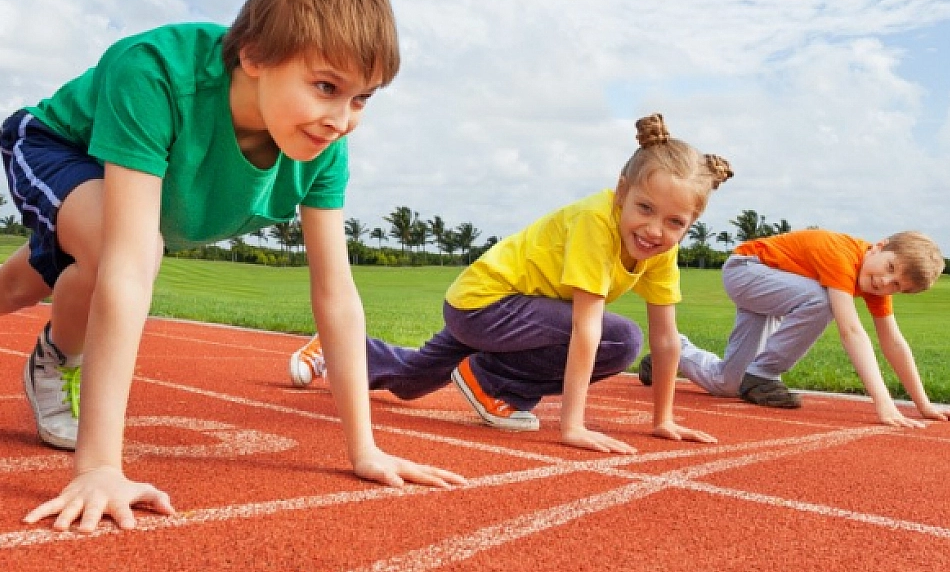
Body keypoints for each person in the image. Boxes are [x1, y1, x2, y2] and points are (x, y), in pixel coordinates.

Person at [0, 0, 465, 531]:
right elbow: (126, 263)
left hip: (129, 205)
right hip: (57, 144)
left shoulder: (323, 148)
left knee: (21, 284)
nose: (343, 118)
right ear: (253, 55)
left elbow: (336, 295)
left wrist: (365, 449)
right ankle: (57, 361)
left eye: (361, 99)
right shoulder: (152, 73)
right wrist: (99, 467)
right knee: (124, 255)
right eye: (325, 86)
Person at [290, 116, 732, 454]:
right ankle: (492, 383)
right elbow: (587, 328)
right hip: (487, 304)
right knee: (621, 340)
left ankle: (336, 349)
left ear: (690, 223)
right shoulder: (596, 221)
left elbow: (668, 338)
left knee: (411, 381)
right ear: (621, 192)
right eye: (645, 208)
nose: (654, 230)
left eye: (675, 222)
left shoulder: (660, 248)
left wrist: (664, 418)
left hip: (517, 315)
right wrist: (572, 426)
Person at [644, 228, 950, 427]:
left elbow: (893, 342)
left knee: (727, 384)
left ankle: (669, 355)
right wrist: (883, 402)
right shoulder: (841, 255)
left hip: (776, 289)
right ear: (878, 246)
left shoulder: (874, 284)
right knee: (821, 301)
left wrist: (924, 405)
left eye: (896, 286)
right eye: (889, 267)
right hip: (747, 271)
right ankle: (763, 375)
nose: (885, 282)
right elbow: (851, 330)